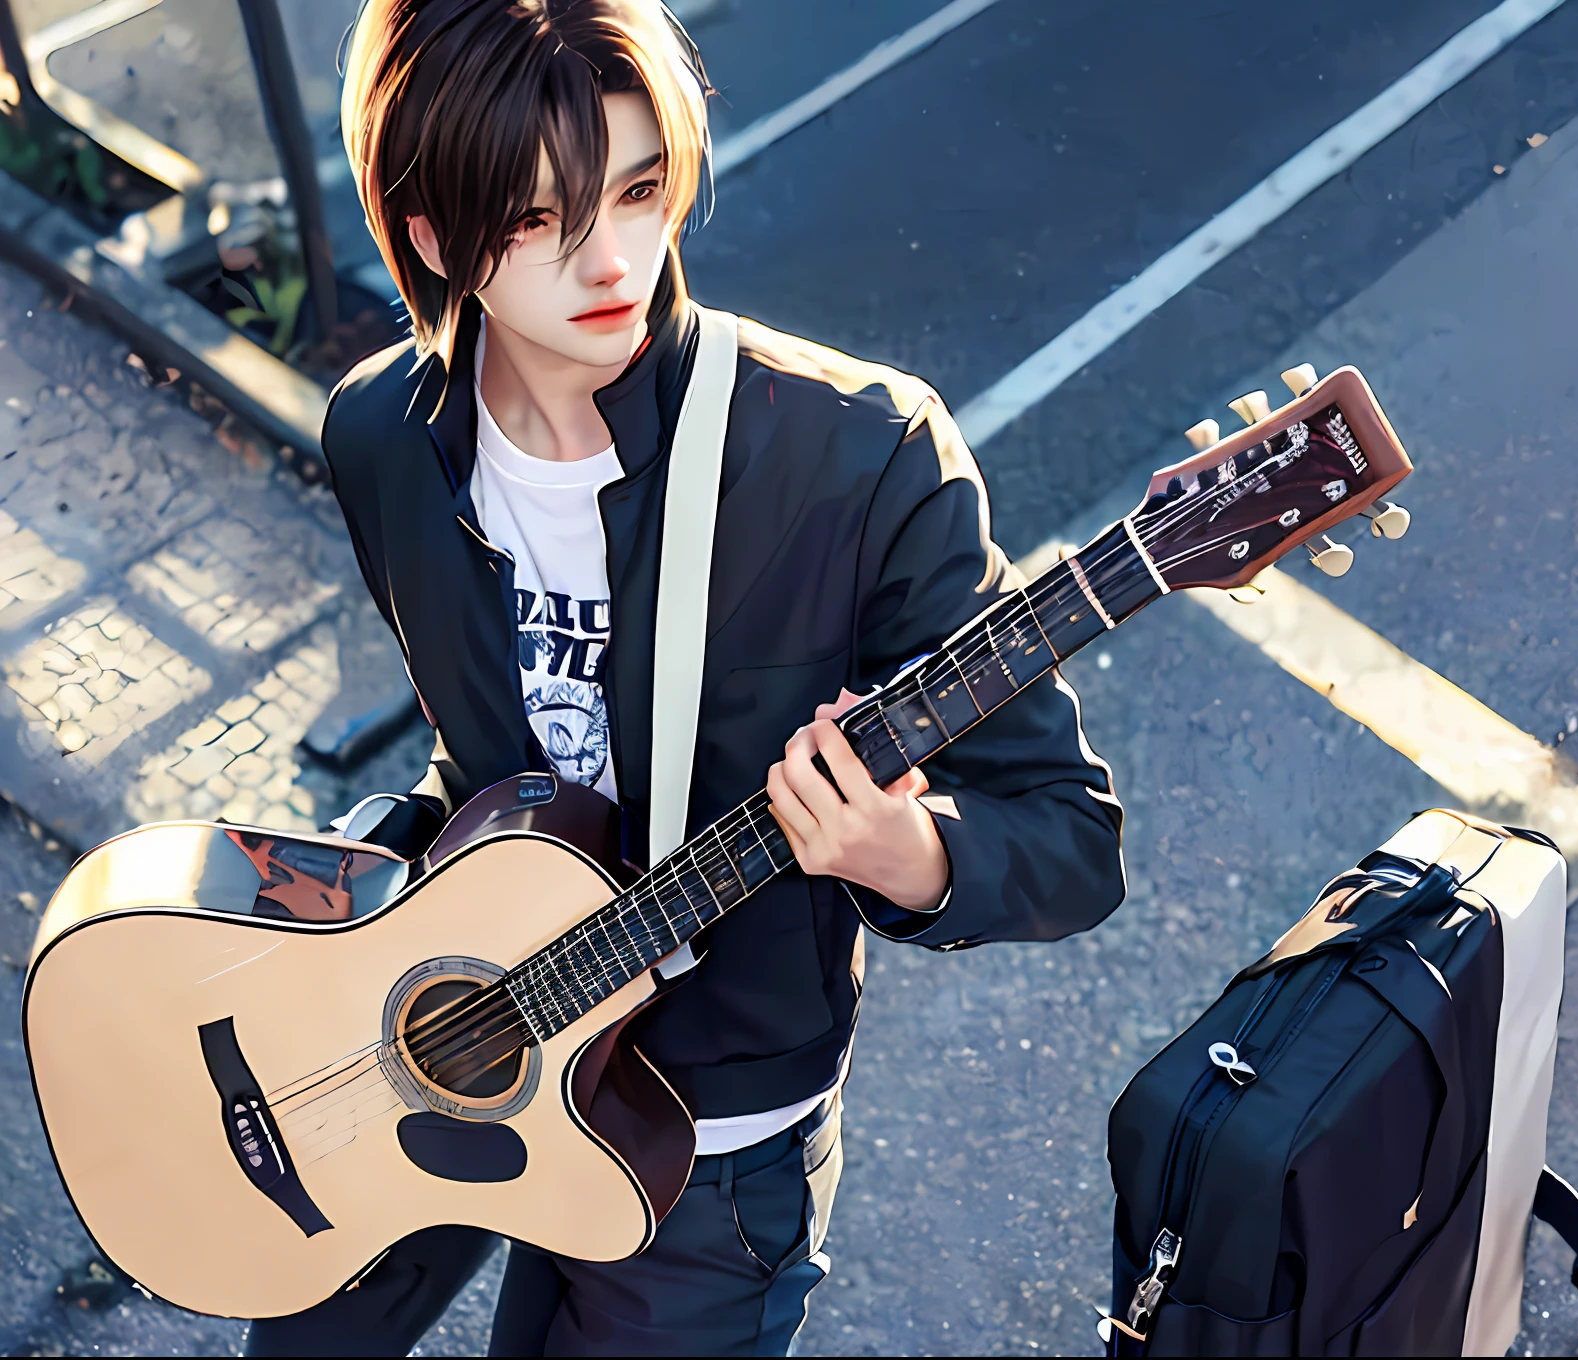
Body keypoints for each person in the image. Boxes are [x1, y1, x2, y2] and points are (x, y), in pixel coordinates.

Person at [247, 1, 1127, 1353]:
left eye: (642, 189)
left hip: (702, 1158)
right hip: (447, 1039)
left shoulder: (857, 458)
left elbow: (1067, 842)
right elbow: (478, 749)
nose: (612, 260)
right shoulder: (383, 437)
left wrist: (906, 853)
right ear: (432, 238)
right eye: (539, 221)